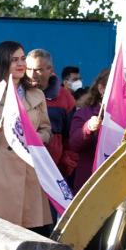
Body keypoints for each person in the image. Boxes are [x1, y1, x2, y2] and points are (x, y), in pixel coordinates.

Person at [0, 41, 53, 234]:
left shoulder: (37, 93)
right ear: (2, 63)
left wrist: (35, 138)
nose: (20, 64)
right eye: (14, 59)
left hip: (29, 169)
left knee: (31, 232)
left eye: (22, 58)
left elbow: (47, 130)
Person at [68, 69, 110, 250]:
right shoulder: (84, 113)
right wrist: (88, 128)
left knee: (113, 244)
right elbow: (74, 143)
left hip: (116, 188)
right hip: (89, 185)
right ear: (101, 89)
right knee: (87, 244)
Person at [26, 49, 78, 184]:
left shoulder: (66, 99)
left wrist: (66, 165)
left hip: (54, 171)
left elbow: (72, 138)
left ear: (50, 69)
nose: (32, 74)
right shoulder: (18, 92)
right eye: (29, 69)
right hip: (22, 165)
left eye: (38, 70)